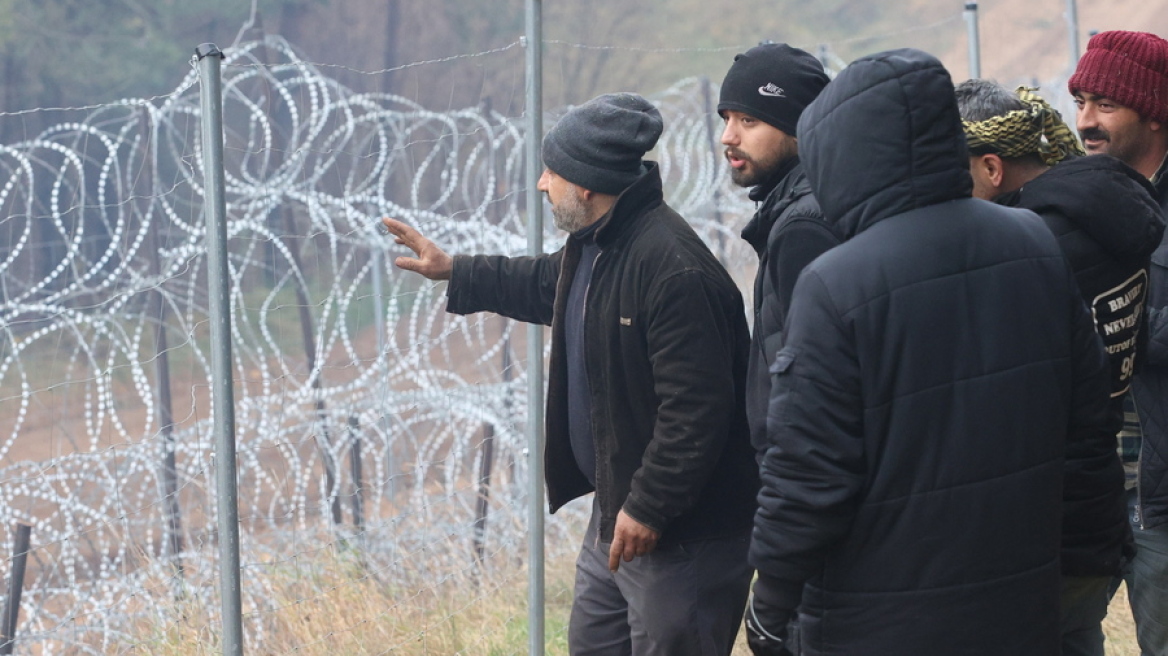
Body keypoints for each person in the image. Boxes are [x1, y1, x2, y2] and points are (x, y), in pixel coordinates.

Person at [743, 48, 1115, 656]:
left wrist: (770, 604)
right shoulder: (1033, 243)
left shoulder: (837, 283)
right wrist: (1082, 559)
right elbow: (1086, 422)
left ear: (844, 153)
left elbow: (809, 476)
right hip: (1017, 603)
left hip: (877, 617)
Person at [383, 92, 759, 656]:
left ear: (585, 183)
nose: (541, 184)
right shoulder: (598, 245)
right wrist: (454, 270)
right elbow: (546, 285)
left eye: (551, 173)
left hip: (681, 537)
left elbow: (697, 411)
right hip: (619, 515)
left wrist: (648, 506)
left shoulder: (671, 270)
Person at [957, 79, 1164, 656]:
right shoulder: (1102, 214)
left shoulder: (1028, 248)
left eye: (956, 175)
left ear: (993, 168)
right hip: (1094, 502)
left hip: (1042, 514)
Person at [1070, 30, 1168, 656]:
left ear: (1153, 111)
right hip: (1088, 482)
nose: (1085, 121)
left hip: (1158, 494)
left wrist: (1109, 328)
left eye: (1104, 103)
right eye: (1079, 100)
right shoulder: (1075, 200)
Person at [717, 43, 839, 458]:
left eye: (748, 120)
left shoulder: (804, 227)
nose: (728, 137)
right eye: (727, 118)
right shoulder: (797, 208)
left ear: (798, 127)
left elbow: (817, 385)